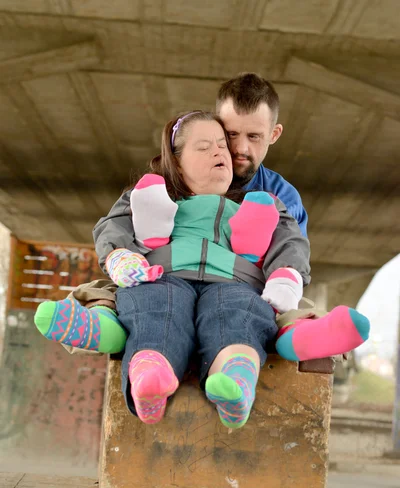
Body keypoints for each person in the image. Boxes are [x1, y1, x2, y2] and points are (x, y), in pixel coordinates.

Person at [35, 111, 369, 429]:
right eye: (204, 146)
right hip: (162, 276)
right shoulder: (152, 197)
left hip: (234, 281)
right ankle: (152, 376)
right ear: (177, 162)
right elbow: (115, 225)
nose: (219, 152)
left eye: (222, 145)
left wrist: (287, 274)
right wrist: (120, 255)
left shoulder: (260, 203)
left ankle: (235, 380)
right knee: (156, 309)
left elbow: (290, 240)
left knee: (241, 313)